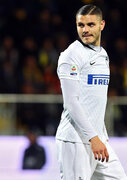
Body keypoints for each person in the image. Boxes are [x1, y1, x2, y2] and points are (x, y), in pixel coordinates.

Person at [56, 4, 127, 180]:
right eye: (81, 25)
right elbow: (72, 103)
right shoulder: (70, 56)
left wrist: (100, 136)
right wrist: (93, 138)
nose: (85, 30)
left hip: (97, 138)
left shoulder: (102, 54)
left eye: (90, 25)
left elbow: (96, 101)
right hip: (75, 140)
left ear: (102, 25)